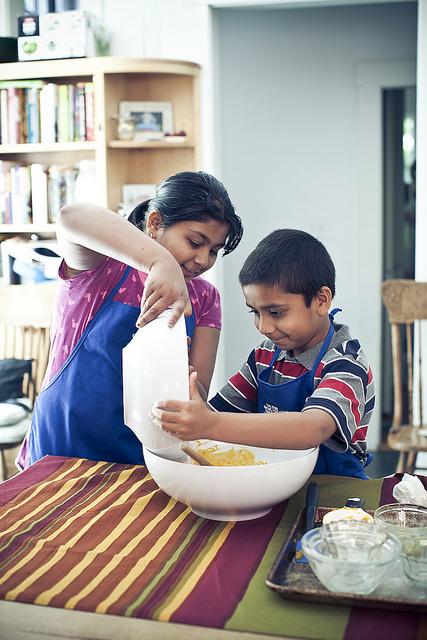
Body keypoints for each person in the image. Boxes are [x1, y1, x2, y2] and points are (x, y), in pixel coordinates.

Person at [17, 171, 243, 469]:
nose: (203, 259)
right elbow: (71, 216)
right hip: (62, 446)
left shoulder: (205, 298)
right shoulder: (102, 269)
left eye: (214, 250)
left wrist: (177, 375)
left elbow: (197, 392)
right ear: (154, 223)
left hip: (143, 458)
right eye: (194, 241)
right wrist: (159, 261)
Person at [152, 228, 375, 479]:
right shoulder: (264, 357)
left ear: (321, 301)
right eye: (255, 312)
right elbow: (217, 414)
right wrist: (183, 380)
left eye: (276, 312)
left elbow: (313, 427)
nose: (263, 327)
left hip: (333, 491)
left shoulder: (345, 363)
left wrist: (208, 424)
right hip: (272, 483)